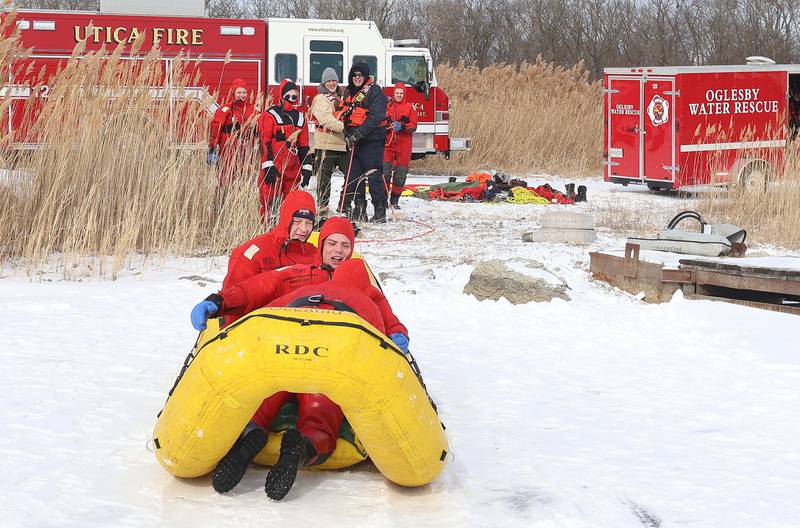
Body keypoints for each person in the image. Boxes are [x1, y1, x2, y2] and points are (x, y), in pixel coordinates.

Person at [189, 218, 409, 499]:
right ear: (321, 247)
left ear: (352, 250)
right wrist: (219, 301)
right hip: (299, 355)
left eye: (345, 245)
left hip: (313, 361)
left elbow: (390, 321)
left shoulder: (366, 288)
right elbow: (258, 286)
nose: (338, 251)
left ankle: (254, 435)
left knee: (289, 395)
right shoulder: (299, 274)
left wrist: (399, 337)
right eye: (331, 243)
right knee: (303, 402)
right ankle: (300, 446)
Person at [220, 190, 317, 327]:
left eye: (308, 223)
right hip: (259, 332)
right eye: (297, 221)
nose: (304, 229)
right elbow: (232, 303)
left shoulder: (315, 256)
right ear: (285, 219)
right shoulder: (252, 254)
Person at [257, 79, 313, 221]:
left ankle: (286, 229)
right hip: (274, 166)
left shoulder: (300, 118)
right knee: (267, 200)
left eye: (294, 96)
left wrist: (306, 167)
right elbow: (265, 142)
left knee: (290, 204)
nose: (291, 99)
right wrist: (268, 165)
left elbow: (304, 145)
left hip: (292, 168)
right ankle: (266, 228)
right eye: (288, 95)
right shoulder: (270, 115)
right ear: (281, 95)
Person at [340, 62, 388, 223]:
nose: (357, 78)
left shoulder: (375, 92)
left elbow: (376, 117)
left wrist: (358, 134)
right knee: (354, 177)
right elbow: (345, 114)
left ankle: (380, 212)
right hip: (355, 142)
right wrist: (348, 134)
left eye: (360, 75)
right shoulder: (349, 91)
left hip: (372, 141)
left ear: (365, 76)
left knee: (373, 176)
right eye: (354, 75)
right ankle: (360, 210)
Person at [308, 67, 350, 224]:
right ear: (324, 82)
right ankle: (323, 208)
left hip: (342, 144)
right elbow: (325, 119)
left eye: (334, 80)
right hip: (325, 143)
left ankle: (344, 206)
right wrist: (346, 128)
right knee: (324, 178)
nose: (332, 83)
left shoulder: (341, 98)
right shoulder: (320, 99)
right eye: (329, 80)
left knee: (350, 175)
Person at [207, 78, 257, 186]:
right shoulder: (225, 109)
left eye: (244, 92)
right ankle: (223, 198)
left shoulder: (252, 109)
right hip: (228, 150)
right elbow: (216, 128)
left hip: (246, 150)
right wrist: (212, 148)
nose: (242, 95)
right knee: (225, 178)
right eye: (239, 92)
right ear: (234, 93)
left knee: (245, 178)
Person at [383, 82, 418, 209]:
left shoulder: (409, 108)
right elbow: (381, 121)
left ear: (404, 94)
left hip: (404, 144)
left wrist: (403, 127)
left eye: (401, 93)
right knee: (385, 171)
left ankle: (394, 200)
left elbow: (414, 126)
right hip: (388, 143)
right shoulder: (388, 106)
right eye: (397, 93)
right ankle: (384, 199)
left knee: (400, 173)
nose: (398, 95)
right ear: (394, 94)